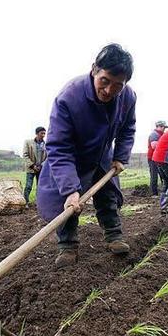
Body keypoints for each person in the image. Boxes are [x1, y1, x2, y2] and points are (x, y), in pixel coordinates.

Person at [37, 43, 136, 268]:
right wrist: (70, 189)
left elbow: (128, 127)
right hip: (72, 158)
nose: (109, 90)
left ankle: (114, 236)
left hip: (102, 156)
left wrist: (120, 156)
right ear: (94, 70)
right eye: (105, 81)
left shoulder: (128, 97)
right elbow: (58, 146)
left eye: (117, 86)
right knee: (69, 203)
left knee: (107, 196)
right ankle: (67, 246)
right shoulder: (69, 97)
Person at [22, 127, 47, 206]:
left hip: (40, 169)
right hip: (31, 168)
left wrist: (41, 165)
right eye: (41, 133)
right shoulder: (28, 142)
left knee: (40, 186)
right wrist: (33, 166)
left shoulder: (45, 144)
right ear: (37, 134)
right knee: (28, 186)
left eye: (44, 133)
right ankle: (25, 202)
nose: (43, 135)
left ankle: (38, 202)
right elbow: (25, 155)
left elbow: (48, 157)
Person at [147, 120, 168, 196]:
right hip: (153, 158)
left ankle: (166, 191)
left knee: (164, 174)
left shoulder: (162, 135)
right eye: (162, 127)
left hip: (160, 158)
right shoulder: (154, 134)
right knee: (154, 175)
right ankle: (154, 193)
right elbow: (154, 146)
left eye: (164, 127)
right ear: (158, 126)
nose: (164, 129)